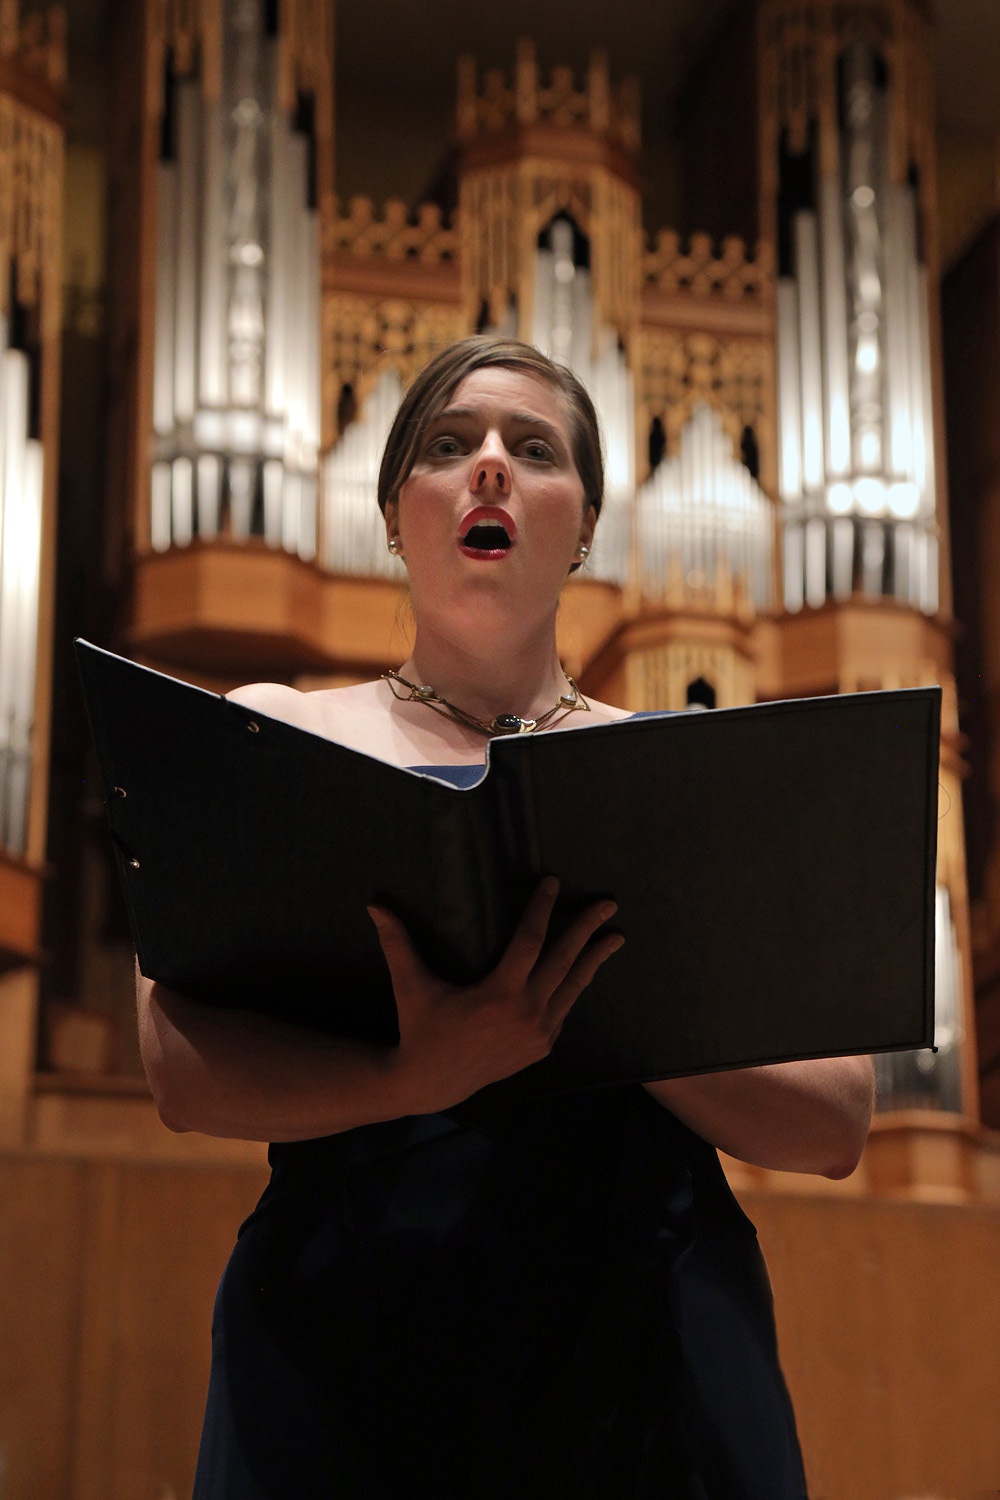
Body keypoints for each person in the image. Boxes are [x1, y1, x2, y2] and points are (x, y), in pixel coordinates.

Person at [137, 336, 874, 1499]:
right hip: (346, 1339)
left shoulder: (683, 773)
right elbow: (176, 1065)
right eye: (448, 444)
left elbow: (835, 1119)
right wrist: (412, 1077)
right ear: (395, 515)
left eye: (534, 450)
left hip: (646, 1343)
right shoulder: (277, 732)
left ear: (584, 528)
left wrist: (603, 1011)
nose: (489, 465)